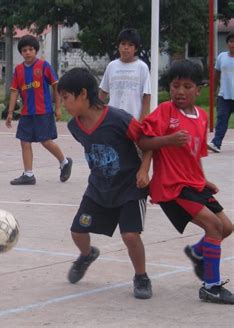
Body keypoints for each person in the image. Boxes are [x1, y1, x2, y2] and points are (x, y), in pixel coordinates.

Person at [138, 60, 234, 304]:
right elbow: (144, 142)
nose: (180, 91)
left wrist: (204, 180)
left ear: (198, 90)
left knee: (227, 227)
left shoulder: (201, 117)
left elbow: (195, 156)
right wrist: (164, 145)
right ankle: (211, 287)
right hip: (172, 185)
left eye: (187, 86)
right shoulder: (163, 112)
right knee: (213, 226)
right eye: (175, 85)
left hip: (193, 183)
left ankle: (197, 252)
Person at [58, 67, 152, 299]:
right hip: (99, 188)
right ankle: (87, 254)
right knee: (77, 232)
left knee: (130, 235)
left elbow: (148, 142)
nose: (62, 104)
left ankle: (141, 276)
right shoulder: (74, 127)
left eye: (65, 98)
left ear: (82, 94)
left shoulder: (119, 119)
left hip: (130, 187)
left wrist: (143, 169)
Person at [5, 35, 72, 185]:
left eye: (30, 49)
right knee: (24, 141)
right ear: (21, 52)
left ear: (36, 50)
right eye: (24, 50)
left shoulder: (44, 66)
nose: (27, 52)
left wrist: (58, 107)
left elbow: (55, 85)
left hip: (43, 111)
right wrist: (10, 112)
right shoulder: (18, 70)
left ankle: (65, 162)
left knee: (46, 141)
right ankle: (28, 174)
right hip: (27, 113)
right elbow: (14, 91)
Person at [99, 28, 151, 121]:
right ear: (118, 46)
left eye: (130, 45)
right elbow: (103, 92)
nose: (126, 47)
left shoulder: (142, 67)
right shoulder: (111, 66)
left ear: (136, 49)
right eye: (123, 44)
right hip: (112, 119)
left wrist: (142, 121)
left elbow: (146, 97)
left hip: (133, 119)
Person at [207, 31, 234, 153]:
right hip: (224, 95)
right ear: (228, 43)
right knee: (221, 120)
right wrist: (213, 90)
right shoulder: (221, 57)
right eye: (231, 41)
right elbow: (216, 75)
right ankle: (216, 143)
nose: (233, 44)